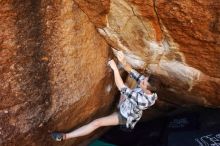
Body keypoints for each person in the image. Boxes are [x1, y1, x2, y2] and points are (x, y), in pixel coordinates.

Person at [51, 51, 158, 141]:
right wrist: (123, 60)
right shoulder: (149, 87)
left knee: (97, 123)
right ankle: (120, 104)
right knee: (128, 84)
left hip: (125, 116)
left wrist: (115, 69)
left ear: (147, 90)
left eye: (143, 82)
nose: (142, 80)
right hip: (128, 104)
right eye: (144, 79)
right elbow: (131, 71)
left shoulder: (143, 100)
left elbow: (121, 87)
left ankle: (64, 136)